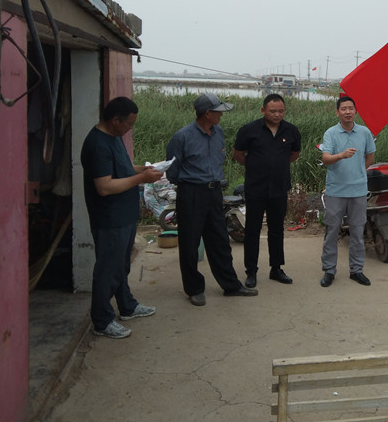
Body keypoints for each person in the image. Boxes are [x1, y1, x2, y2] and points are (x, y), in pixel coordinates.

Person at [81, 97, 163, 339]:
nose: (130, 129)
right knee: (108, 269)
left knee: (121, 265)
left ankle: (127, 305)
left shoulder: (114, 137)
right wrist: (141, 179)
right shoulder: (98, 144)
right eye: (129, 124)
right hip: (109, 218)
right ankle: (102, 320)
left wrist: (143, 170)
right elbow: (104, 186)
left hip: (124, 215)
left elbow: (122, 168)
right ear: (115, 120)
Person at [166, 93, 257, 306]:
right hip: (191, 194)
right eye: (218, 111)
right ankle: (194, 289)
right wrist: (192, 184)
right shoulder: (182, 137)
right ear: (207, 113)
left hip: (214, 193)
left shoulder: (218, 132)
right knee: (190, 243)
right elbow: (172, 172)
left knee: (220, 240)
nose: (221, 115)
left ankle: (231, 285)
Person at [233, 93, 301, 288]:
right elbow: (238, 153)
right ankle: (251, 271)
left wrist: (277, 166)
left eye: (281, 111)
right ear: (263, 110)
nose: (277, 115)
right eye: (272, 111)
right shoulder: (249, 130)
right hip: (256, 187)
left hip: (279, 188)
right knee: (252, 230)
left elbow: (294, 153)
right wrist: (255, 166)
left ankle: (276, 268)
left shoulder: (291, 131)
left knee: (276, 229)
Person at [319, 96, 376, 287]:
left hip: (358, 190)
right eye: (343, 109)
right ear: (337, 112)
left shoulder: (365, 132)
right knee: (332, 231)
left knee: (357, 232)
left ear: (356, 111)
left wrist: (358, 172)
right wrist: (341, 156)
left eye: (351, 108)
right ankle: (329, 270)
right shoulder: (331, 133)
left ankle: (356, 270)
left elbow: (370, 157)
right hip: (336, 190)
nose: (348, 112)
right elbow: (326, 158)